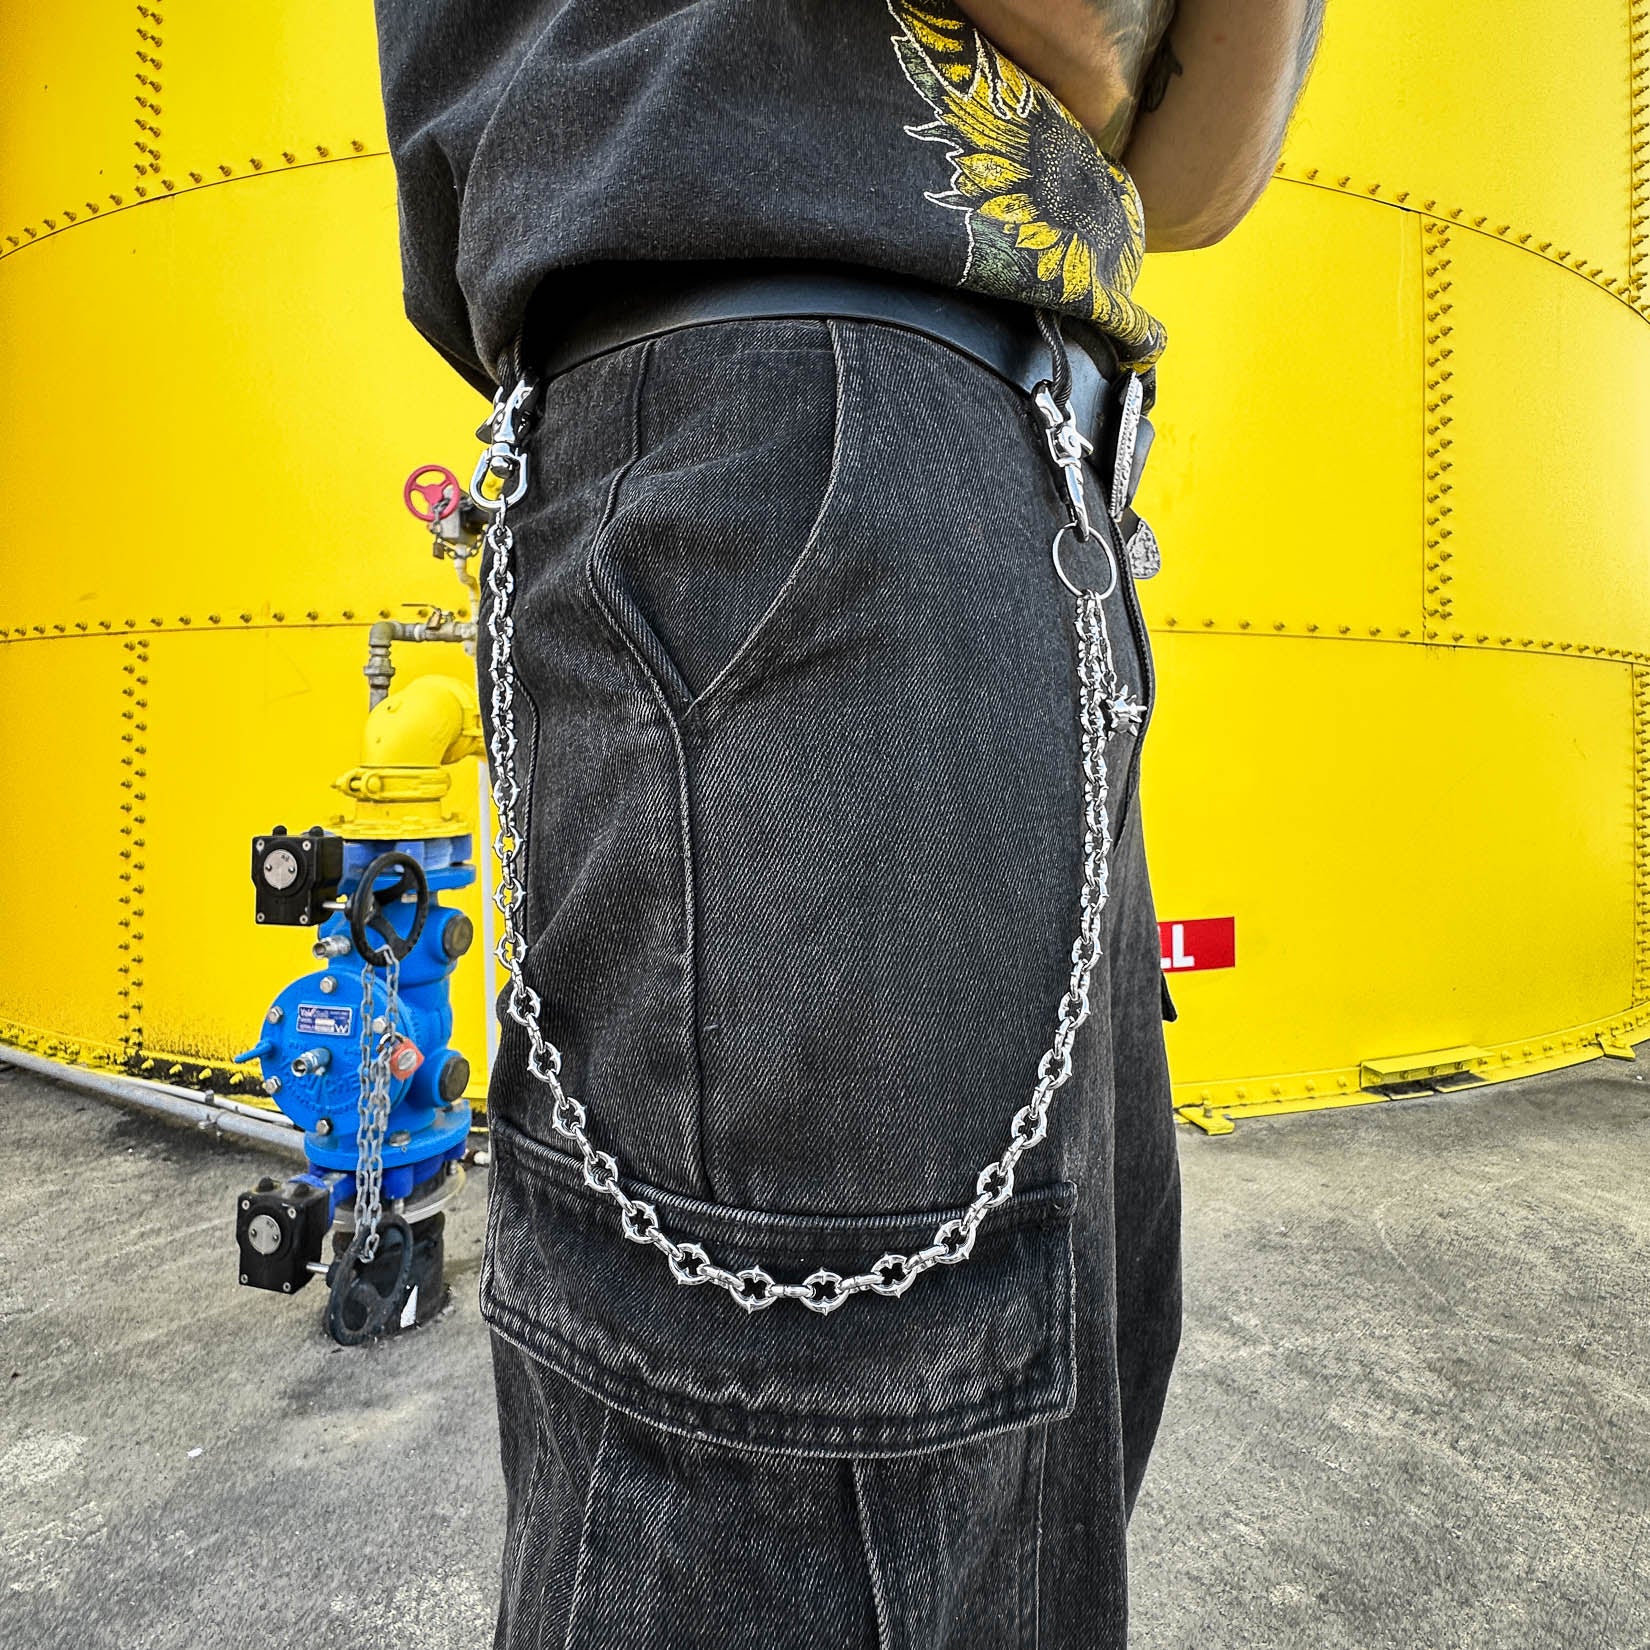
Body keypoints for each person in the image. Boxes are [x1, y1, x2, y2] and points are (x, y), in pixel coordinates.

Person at [369, 3, 1325, 1645]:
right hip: (799, 432)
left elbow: (1189, 181)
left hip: (1018, 487)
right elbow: (1100, 54)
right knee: (816, 1474)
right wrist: (1119, 67)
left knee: (1031, 1440)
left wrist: (1119, 74)